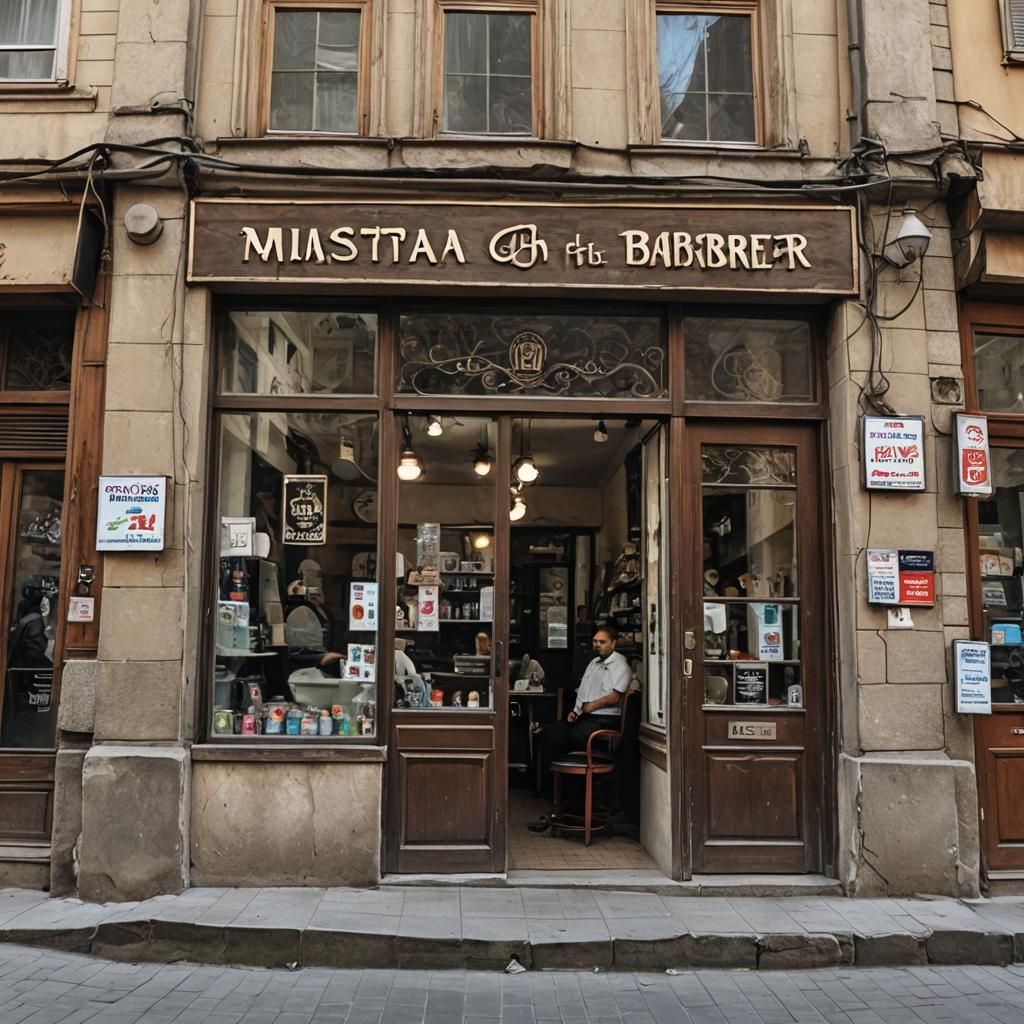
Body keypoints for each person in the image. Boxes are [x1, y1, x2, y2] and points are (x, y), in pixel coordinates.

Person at [530, 626, 631, 832]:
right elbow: (584, 691)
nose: (597, 645)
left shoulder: (620, 664)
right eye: (595, 641)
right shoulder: (593, 663)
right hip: (585, 717)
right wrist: (575, 712)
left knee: (576, 737)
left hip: (603, 720)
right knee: (550, 734)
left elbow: (614, 696)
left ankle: (577, 799)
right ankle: (557, 801)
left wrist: (591, 707)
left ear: (613, 643)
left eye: (602, 642)